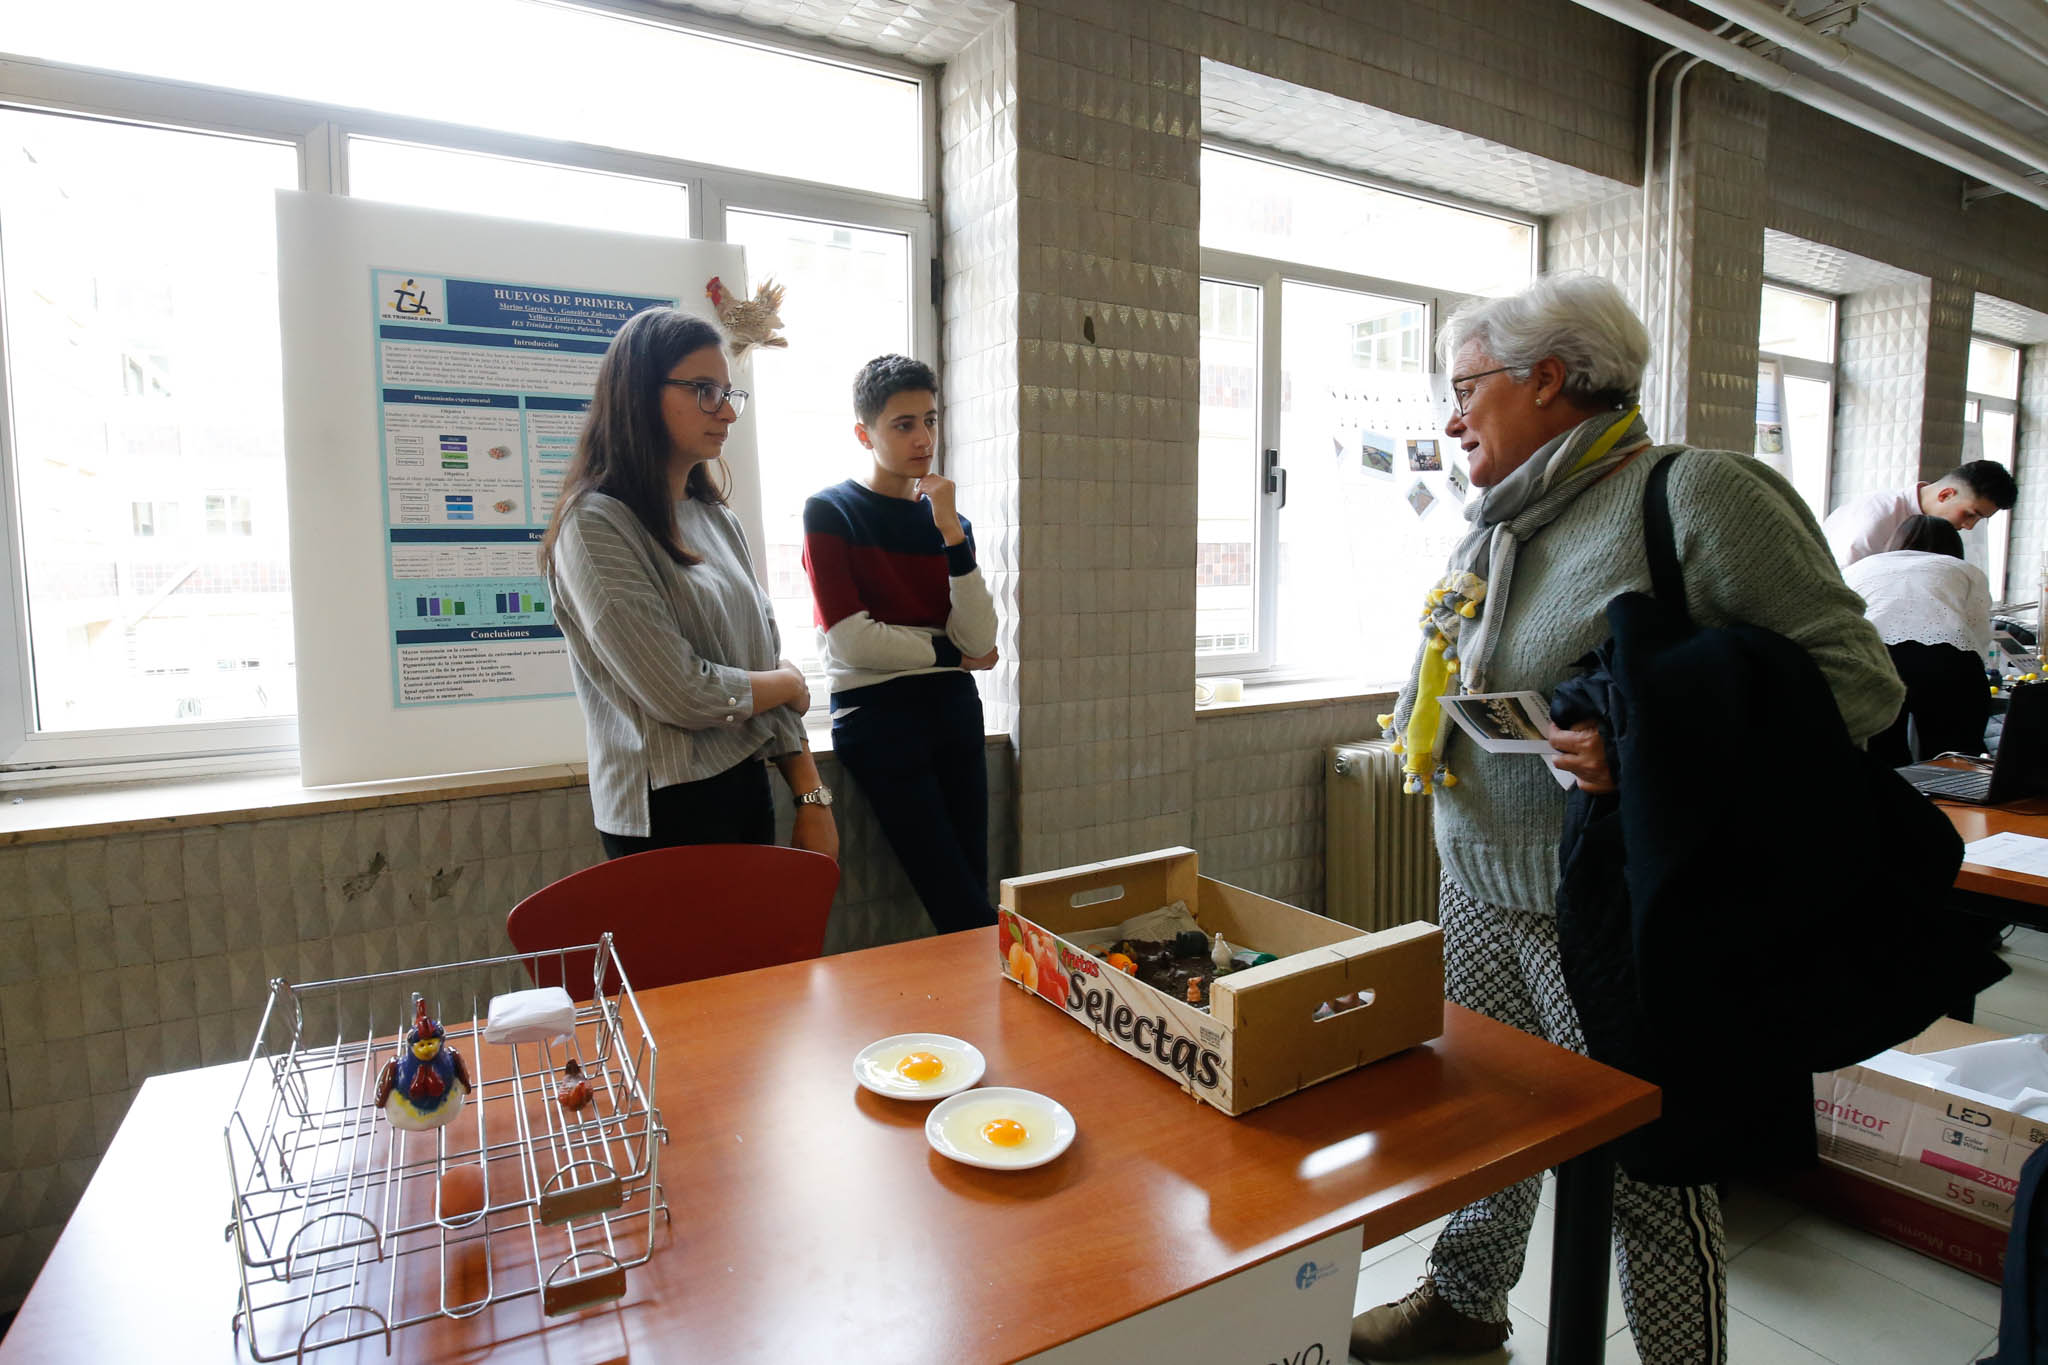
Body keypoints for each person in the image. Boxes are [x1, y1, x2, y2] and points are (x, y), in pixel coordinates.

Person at [1359, 275, 1900, 1364]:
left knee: (1646, 1163)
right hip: (1477, 880)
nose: (1449, 416)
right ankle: (1464, 1305)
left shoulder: (1695, 494)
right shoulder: (1502, 522)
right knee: (1491, 1117)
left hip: (1607, 906)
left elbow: (1858, 683)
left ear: (1546, 378)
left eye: (1465, 388)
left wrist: (1645, 741)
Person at [539, 307, 837, 862]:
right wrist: (786, 684)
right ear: (639, 395)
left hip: (745, 785)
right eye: (703, 390)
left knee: (769, 953)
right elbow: (679, 692)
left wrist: (812, 797)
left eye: (727, 392)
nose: (725, 411)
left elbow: (762, 660)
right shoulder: (595, 524)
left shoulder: (716, 516)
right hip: (666, 806)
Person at [801, 355, 999, 934]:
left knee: (970, 884)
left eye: (931, 420)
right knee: (958, 901)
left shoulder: (947, 520)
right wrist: (947, 653)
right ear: (865, 433)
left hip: (954, 708)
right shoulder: (831, 510)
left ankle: (975, 1014)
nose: (924, 438)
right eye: (903, 424)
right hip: (878, 715)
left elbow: (981, 637)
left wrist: (952, 534)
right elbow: (853, 641)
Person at [1845, 513, 1994, 767]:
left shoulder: (1859, 567)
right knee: (1953, 755)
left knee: (1878, 755)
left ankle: (1888, 803)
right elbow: (1978, 630)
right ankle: (1951, 803)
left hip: (1871, 656)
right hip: (1946, 658)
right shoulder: (1963, 569)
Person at [1822, 458, 2016, 568]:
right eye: (1970, 514)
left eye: (1980, 519)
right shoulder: (1879, 516)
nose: (1969, 526)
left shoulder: (1933, 529)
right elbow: (1844, 585)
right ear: (1946, 495)